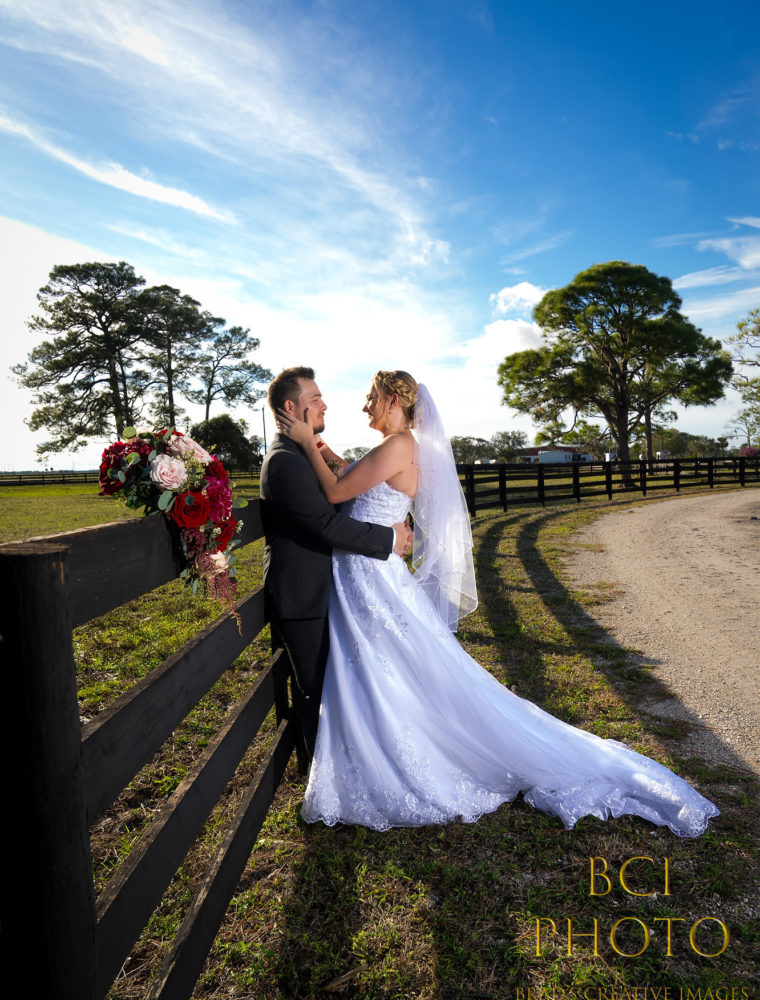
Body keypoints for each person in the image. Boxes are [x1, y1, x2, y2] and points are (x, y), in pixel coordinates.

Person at [275, 369, 719, 837]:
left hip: (370, 576)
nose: (365, 405)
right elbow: (357, 481)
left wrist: (307, 443)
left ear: (394, 401)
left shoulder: (400, 445)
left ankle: (400, 753)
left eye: (373, 397)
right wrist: (328, 452)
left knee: (391, 666)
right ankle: (378, 747)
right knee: (385, 668)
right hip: (364, 574)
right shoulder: (397, 447)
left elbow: (336, 493)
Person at [259, 367, 412, 762]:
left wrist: (317, 446)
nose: (325, 404)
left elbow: (345, 488)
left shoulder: (299, 454)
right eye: (315, 399)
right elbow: (327, 522)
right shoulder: (285, 461)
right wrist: (390, 537)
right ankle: (322, 773)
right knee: (318, 690)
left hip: (337, 585)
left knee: (346, 682)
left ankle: (353, 765)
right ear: (291, 408)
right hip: (304, 594)